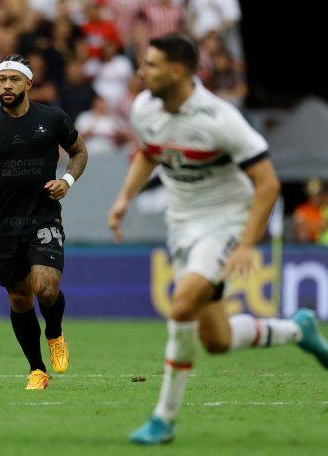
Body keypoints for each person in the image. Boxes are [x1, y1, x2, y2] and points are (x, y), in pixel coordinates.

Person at [107, 33, 328, 445]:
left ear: (178, 71)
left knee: (182, 303)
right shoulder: (144, 108)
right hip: (181, 224)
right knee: (217, 340)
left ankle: (163, 419)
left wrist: (245, 244)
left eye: (151, 64)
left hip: (225, 220)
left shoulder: (220, 119)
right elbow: (150, 151)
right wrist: (123, 199)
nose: (142, 72)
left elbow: (268, 184)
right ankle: (299, 330)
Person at [0, 55, 88, 390]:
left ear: (28, 83)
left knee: (45, 288)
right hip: (6, 224)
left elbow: (79, 151)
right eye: (1, 79)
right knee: (20, 299)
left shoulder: (51, 118)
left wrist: (67, 181)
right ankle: (37, 370)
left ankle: (55, 334)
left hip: (44, 217)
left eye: (14, 80)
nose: (6, 86)